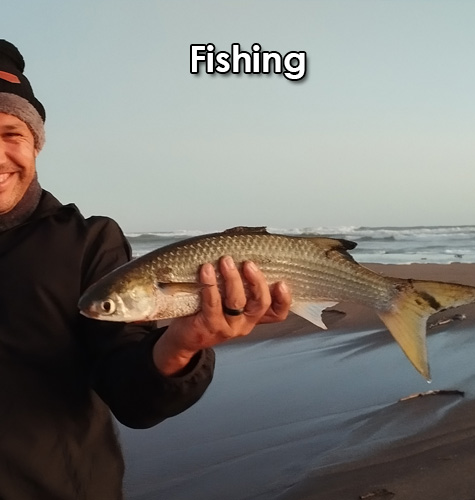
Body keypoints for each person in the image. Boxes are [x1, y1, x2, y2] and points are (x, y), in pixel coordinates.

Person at [0, 39, 291, 500]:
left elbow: (132, 394)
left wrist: (181, 344)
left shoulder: (88, 242)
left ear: (35, 142)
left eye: (10, 135)